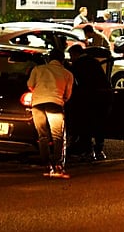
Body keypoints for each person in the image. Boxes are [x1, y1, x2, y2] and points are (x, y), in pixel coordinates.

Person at [28, 47, 75, 178]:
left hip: (37, 104)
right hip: (55, 104)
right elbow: (68, 94)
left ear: (49, 59)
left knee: (42, 135)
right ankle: (57, 164)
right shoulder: (67, 74)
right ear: (62, 60)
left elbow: (30, 85)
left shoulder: (38, 69)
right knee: (57, 136)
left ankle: (46, 163)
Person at [66, 45, 113, 161]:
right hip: (103, 97)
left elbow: (75, 82)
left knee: (85, 124)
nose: (71, 58)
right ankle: (99, 149)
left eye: (71, 56)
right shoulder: (94, 62)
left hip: (88, 99)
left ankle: (87, 150)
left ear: (76, 53)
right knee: (99, 124)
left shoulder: (79, 64)